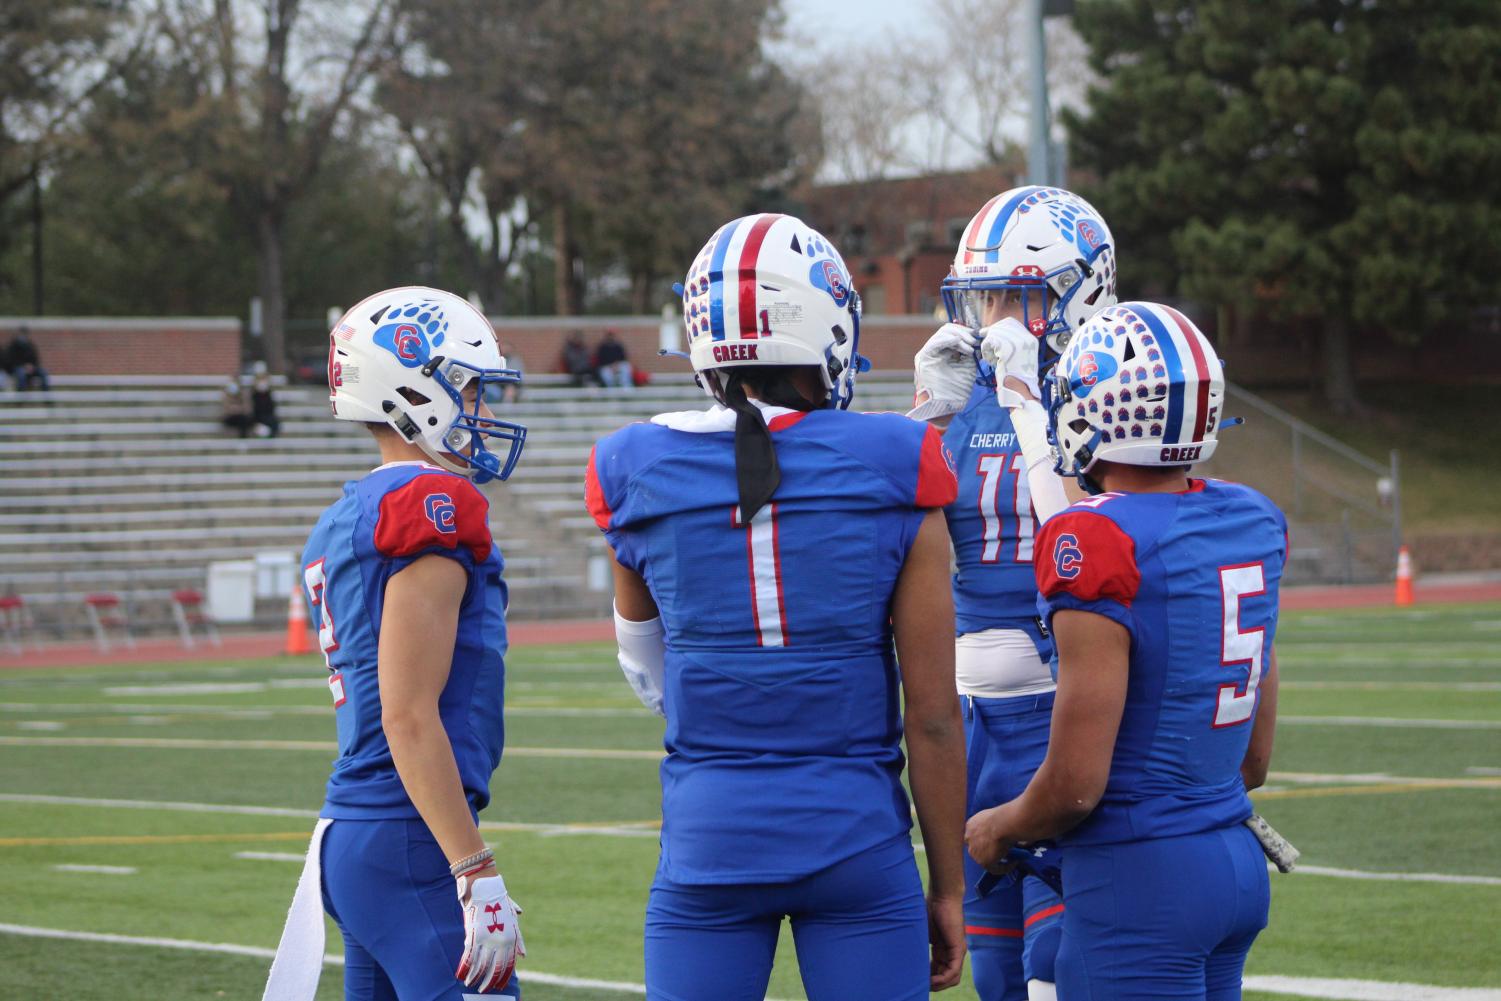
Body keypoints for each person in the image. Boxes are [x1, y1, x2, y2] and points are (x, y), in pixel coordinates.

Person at [586, 212, 969, 1001]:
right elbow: (932, 715)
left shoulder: (630, 466)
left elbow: (643, 667)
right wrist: (950, 887)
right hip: (855, 839)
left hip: (709, 836)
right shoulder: (898, 463)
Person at [964, 302, 1285, 1001]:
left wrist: (998, 823)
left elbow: (1076, 783)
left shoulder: (1095, 539)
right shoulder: (1249, 518)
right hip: (1231, 858)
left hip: (1141, 878)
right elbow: (1253, 759)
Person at [265, 287, 529, 1001]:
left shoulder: (348, 513)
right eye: (474, 390)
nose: (487, 412)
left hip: (360, 831)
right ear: (416, 388)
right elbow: (408, 713)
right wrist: (472, 864)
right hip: (408, 835)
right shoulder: (431, 509)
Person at [907, 185, 1117, 1001]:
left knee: (1055, 974)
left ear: (1079, 295)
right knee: (993, 974)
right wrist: (924, 415)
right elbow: (883, 523)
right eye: (982, 295)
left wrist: (1032, 404)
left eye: (1020, 296)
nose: (994, 316)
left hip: (1056, 707)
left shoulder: (1103, 390)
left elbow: (1082, 543)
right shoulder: (960, 393)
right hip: (963, 726)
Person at [8, 327, 51, 391]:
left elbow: (35, 358)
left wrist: (32, 366)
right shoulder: (13, 346)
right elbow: (11, 360)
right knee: (21, 374)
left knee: (43, 372)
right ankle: (21, 396)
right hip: (19, 367)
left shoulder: (30, 345)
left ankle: (47, 396)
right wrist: (24, 366)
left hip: (32, 367)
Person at [250, 372, 281, 437]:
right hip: (257, 420)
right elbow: (253, 412)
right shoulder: (253, 396)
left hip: (269, 420)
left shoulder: (269, 395)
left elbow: (271, 409)